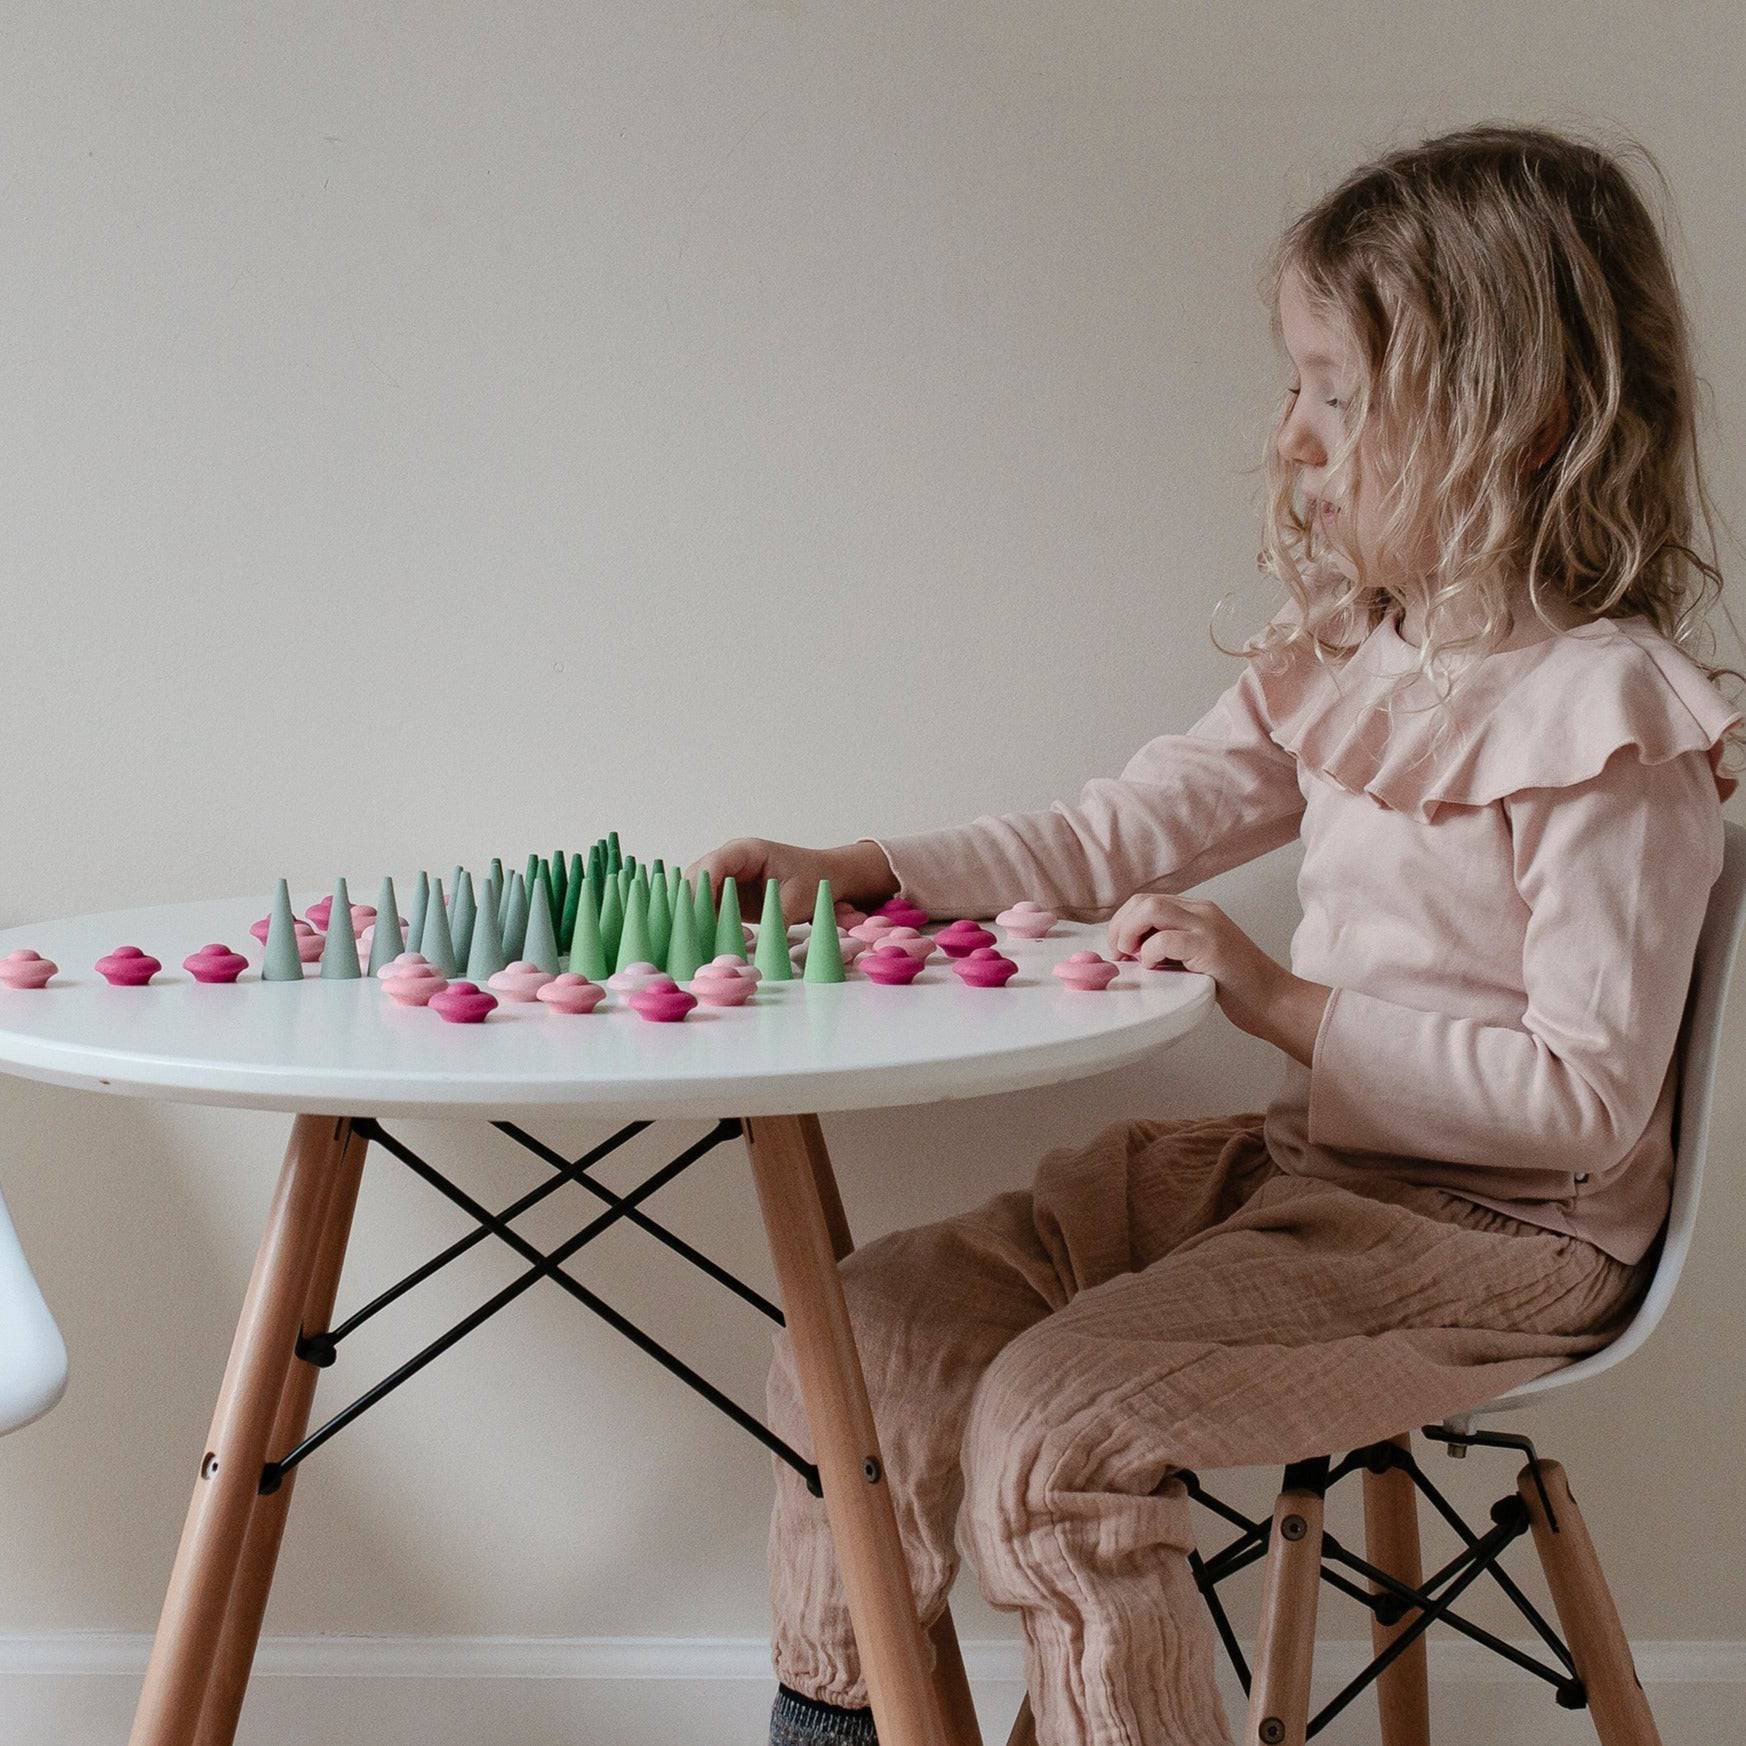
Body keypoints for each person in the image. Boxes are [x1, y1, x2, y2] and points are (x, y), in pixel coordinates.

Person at [688, 121, 1746, 1746]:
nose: (1292, 436)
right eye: (1297, 384)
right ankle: (844, 1726)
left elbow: (1580, 1106)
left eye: (1334, 389)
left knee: (1054, 1426)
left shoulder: (1609, 722)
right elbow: (1115, 830)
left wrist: (1284, 1001)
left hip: (1499, 1240)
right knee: (877, 1328)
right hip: (1306, 1180)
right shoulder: (1350, 656)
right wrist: (870, 867)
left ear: (1516, 422)